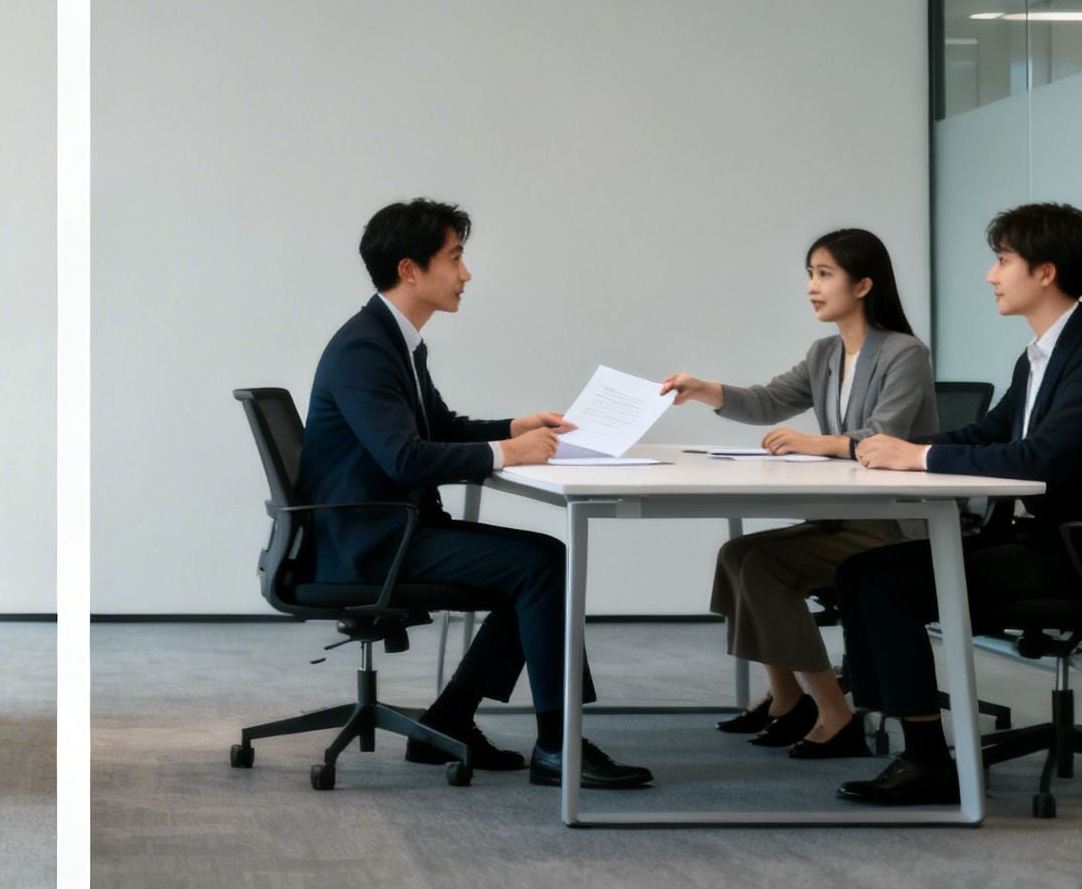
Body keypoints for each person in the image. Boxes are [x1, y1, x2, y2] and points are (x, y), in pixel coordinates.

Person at [297, 198, 653, 788]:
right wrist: (508, 453)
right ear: (410, 269)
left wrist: (513, 428)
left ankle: (450, 722)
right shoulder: (366, 349)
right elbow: (404, 458)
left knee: (538, 565)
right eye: (455, 258)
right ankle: (558, 746)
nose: (466, 273)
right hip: (368, 543)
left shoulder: (396, 340)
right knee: (542, 565)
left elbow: (437, 429)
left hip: (388, 527)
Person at [834, 201, 1082, 805]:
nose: (991, 275)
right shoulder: (1040, 354)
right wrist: (890, 448)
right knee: (858, 571)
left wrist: (917, 457)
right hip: (1030, 538)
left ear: (1045, 271)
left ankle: (927, 761)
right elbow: (989, 433)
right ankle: (896, 731)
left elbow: (1039, 458)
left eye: (1003, 261)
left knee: (885, 583)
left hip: (1068, 550)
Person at [660, 229, 936, 759]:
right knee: (737, 555)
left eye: (825, 274)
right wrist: (702, 390)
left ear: (863, 285)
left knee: (765, 567)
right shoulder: (825, 353)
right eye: (810, 274)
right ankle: (787, 697)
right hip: (843, 516)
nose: (812, 286)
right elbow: (767, 402)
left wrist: (815, 443)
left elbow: (884, 437)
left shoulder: (904, 353)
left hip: (891, 525)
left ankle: (835, 713)